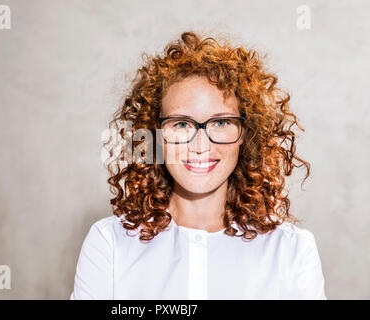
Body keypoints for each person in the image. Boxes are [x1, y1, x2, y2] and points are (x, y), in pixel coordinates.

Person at [70, 31, 327, 299]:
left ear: (246, 134)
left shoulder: (292, 250)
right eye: (181, 124)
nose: (201, 145)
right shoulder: (109, 244)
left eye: (221, 122)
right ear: (154, 135)